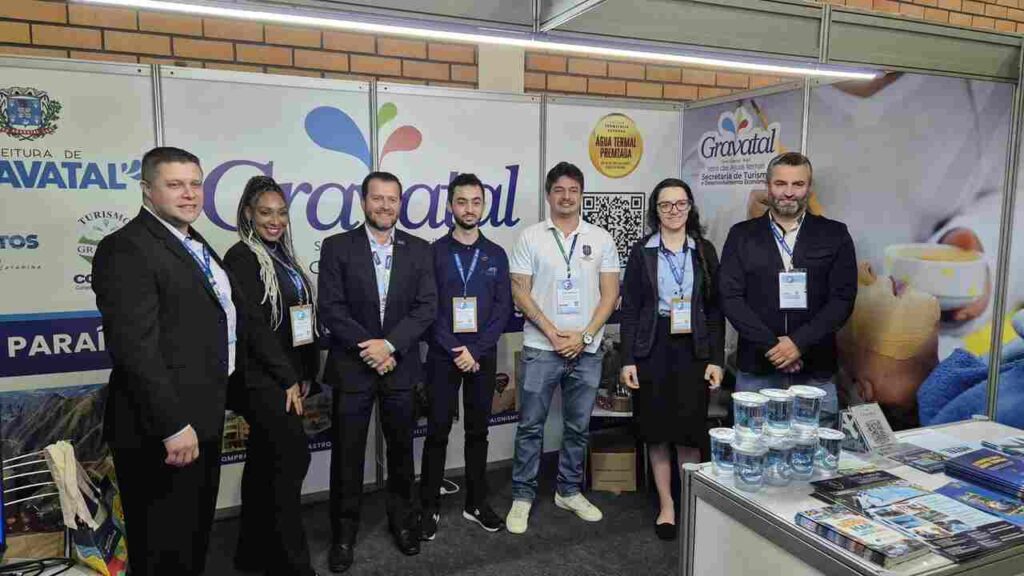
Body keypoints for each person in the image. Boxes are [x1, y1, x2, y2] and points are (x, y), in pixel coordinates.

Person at [92, 147, 299, 576]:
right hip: (160, 430)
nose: (189, 194)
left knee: (191, 537)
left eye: (195, 184)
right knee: (162, 546)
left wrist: (285, 376)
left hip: (202, 416)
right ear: (147, 190)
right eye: (175, 184)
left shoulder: (192, 241)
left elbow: (242, 318)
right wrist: (172, 426)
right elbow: (135, 349)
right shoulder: (126, 248)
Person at [318, 171, 437, 573]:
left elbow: (426, 307)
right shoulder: (337, 247)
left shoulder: (419, 249)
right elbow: (331, 308)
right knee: (347, 457)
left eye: (392, 199)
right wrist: (370, 347)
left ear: (400, 204)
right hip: (353, 368)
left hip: (399, 367)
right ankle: (343, 535)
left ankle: (403, 523)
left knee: (402, 453)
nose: (385, 206)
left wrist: (389, 346)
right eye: (377, 198)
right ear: (363, 201)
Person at [506, 162, 620, 534]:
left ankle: (568, 491)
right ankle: (522, 495)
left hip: (587, 350)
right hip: (542, 347)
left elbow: (610, 294)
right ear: (548, 195)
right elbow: (520, 293)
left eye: (573, 190)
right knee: (530, 426)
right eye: (559, 190)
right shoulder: (530, 237)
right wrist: (553, 334)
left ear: (581, 194)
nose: (566, 197)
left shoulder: (601, 238)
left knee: (578, 426)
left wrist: (584, 336)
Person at [223, 176, 319, 576]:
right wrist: (286, 378)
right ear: (248, 213)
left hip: (287, 374)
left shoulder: (281, 255)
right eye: (265, 212)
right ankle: (292, 564)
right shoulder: (241, 257)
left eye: (281, 213)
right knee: (289, 462)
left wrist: (307, 372)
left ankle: (252, 554)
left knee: (265, 463)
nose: (275, 220)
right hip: (262, 379)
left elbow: (300, 321)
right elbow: (254, 327)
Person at [618, 178, 725, 540]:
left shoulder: (704, 250)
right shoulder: (642, 251)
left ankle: (690, 502)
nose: (673, 211)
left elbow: (715, 310)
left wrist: (716, 359)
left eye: (680, 204)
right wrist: (628, 359)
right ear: (656, 211)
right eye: (665, 205)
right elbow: (631, 309)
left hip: (693, 349)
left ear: (690, 207)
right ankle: (667, 505)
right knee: (657, 431)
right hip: (653, 347)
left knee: (689, 433)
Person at [718, 152, 857, 428]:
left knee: (813, 450)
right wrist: (773, 346)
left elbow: (842, 299)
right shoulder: (742, 235)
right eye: (781, 184)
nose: (789, 192)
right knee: (753, 447)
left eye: (798, 184)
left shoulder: (835, 234)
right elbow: (730, 297)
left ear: (809, 187)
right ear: (768, 186)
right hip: (757, 369)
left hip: (815, 372)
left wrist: (798, 343)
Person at [419, 173, 513, 540]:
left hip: (481, 355)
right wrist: (455, 349)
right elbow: (428, 308)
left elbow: (502, 309)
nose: (469, 209)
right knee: (437, 431)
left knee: (478, 431)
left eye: (476, 202)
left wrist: (475, 350)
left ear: (483, 206)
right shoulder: (434, 253)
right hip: (443, 355)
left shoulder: (496, 254)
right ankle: (428, 506)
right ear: (450, 206)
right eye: (462, 201)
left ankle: (476, 503)